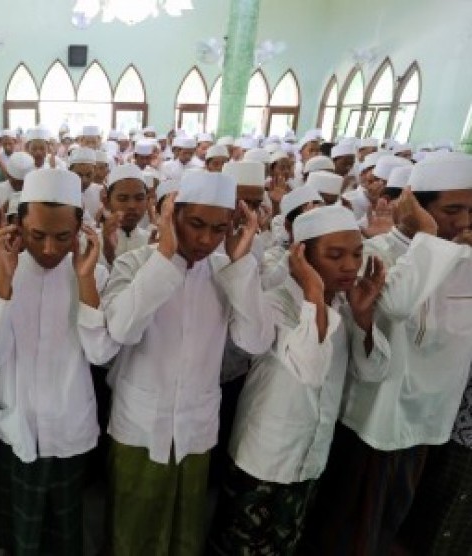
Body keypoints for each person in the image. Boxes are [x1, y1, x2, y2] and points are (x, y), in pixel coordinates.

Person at [301, 153, 472, 555]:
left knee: (392, 521)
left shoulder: (466, 257)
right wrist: (427, 236)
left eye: (471, 209)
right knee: (348, 525)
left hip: (432, 416)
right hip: (377, 415)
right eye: (451, 210)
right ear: (419, 208)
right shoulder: (377, 250)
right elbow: (394, 304)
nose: (464, 221)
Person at [103, 171, 274, 554]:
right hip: (141, 424)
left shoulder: (226, 271)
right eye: (195, 224)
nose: (205, 239)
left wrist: (241, 263)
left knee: (185, 525)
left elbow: (255, 341)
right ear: (170, 214)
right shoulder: (134, 264)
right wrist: (164, 256)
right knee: (132, 525)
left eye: (219, 228)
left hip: (195, 424)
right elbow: (121, 330)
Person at [209, 205, 390, 555]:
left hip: (311, 454)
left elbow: (373, 372)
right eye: (335, 255)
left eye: (356, 254)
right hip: (265, 457)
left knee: (285, 543)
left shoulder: (343, 305)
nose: (350, 266)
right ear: (301, 257)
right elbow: (309, 368)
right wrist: (312, 293)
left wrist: (365, 317)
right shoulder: (275, 303)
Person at [0, 168, 118, 555]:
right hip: (17, 419)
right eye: (37, 236)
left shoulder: (95, 274)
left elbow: (102, 353)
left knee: (64, 522)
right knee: (22, 524)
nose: (50, 248)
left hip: (68, 421)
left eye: (63, 237)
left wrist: (85, 279)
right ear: (17, 227)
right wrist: (4, 280)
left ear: (81, 229)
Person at [99, 164, 150, 268]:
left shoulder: (151, 241)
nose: (132, 206)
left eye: (139, 198)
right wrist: (108, 251)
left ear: (147, 201)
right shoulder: (91, 242)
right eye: (123, 198)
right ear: (107, 202)